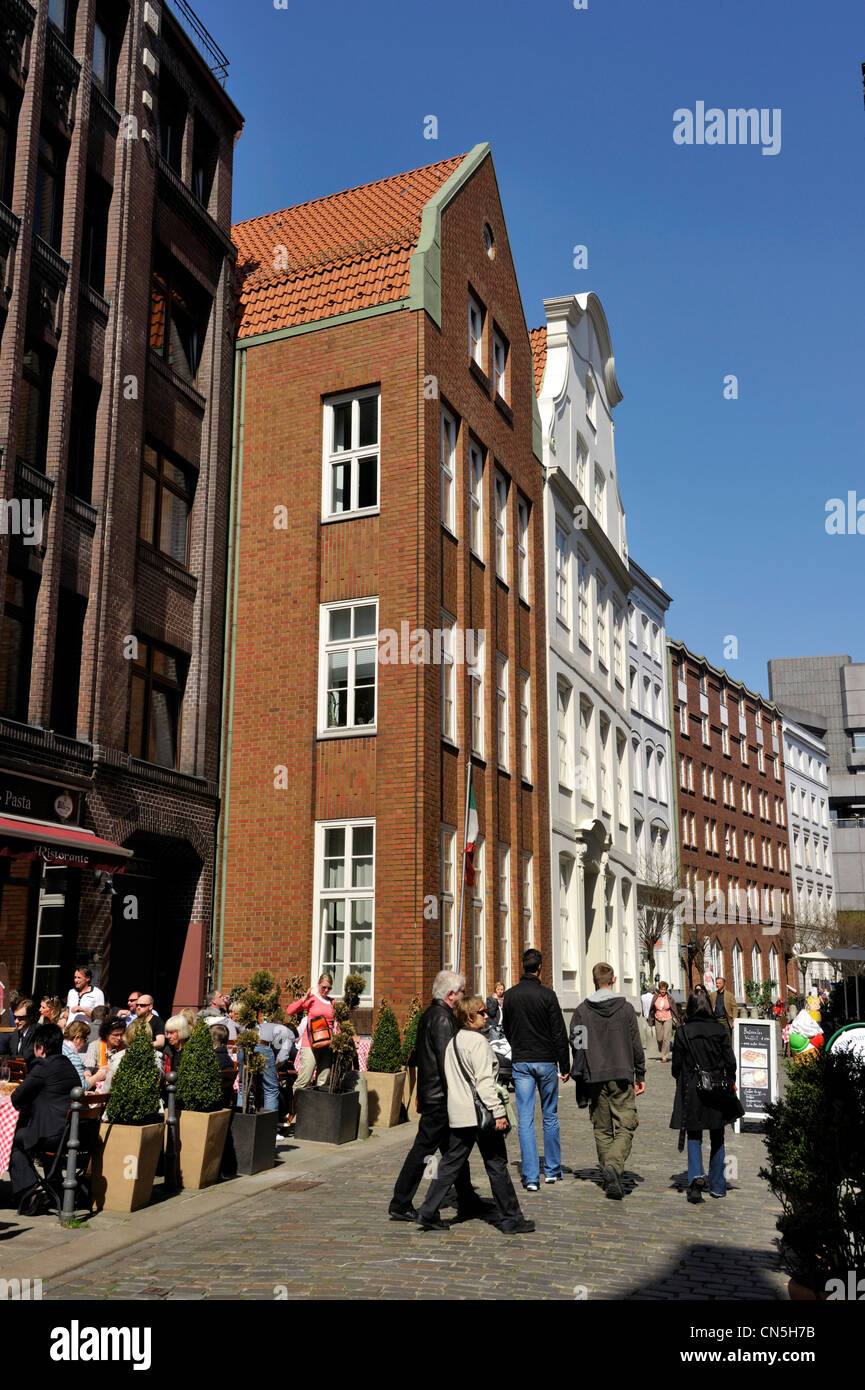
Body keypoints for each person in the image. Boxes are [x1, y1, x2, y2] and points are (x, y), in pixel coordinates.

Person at [414, 996, 534, 1234]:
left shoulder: (453, 1042)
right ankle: (511, 1219)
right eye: (481, 1012)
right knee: (496, 1164)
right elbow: (484, 1083)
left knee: (450, 1164)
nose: (486, 1015)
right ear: (469, 1017)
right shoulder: (478, 1043)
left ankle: (428, 1211)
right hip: (480, 1114)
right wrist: (498, 1112)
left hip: (459, 1113)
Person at [389, 970, 490, 1223]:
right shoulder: (442, 1019)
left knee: (456, 1152)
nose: (465, 996)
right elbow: (449, 1062)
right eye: (462, 992)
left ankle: (467, 1199)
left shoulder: (432, 1015)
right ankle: (401, 1202)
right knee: (425, 1151)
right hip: (440, 1099)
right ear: (450, 995)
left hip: (436, 1095)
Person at [570, 962, 646, 1200]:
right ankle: (613, 1165)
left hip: (595, 1075)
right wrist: (640, 1073)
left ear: (594, 981)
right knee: (626, 1124)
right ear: (613, 980)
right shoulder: (625, 1009)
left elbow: (577, 1044)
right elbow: (636, 1043)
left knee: (602, 1128)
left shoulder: (582, 1010)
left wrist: (580, 1072)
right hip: (622, 1074)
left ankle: (608, 1173)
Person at [502, 948, 570, 1190]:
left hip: (522, 1062)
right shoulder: (548, 995)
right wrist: (565, 1064)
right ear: (540, 967)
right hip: (546, 1061)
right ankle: (552, 1170)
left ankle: (531, 1176)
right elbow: (559, 1032)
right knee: (550, 1115)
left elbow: (506, 1028)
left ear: (523, 966)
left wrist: (518, 1048)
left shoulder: (510, 996)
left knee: (526, 1119)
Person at [670, 990, 744, 1202]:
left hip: (692, 1088)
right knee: (717, 1135)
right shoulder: (719, 1030)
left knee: (694, 1134)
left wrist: (683, 1078)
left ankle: (695, 1178)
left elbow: (676, 1066)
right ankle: (718, 1185)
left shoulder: (683, 1032)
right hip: (718, 1087)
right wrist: (729, 1080)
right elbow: (730, 1062)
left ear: (690, 1008)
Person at [8, 1023, 80, 1203]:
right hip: (73, 1132)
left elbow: (17, 1097)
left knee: (9, 1140)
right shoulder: (68, 1065)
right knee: (32, 1130)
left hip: (53, 1135)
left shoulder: (43, 1067)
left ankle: (31, 1191)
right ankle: (53, 1183)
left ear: (40, 1048)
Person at [286, 974, 336, 1091]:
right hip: (310, 1043)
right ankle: (293, 1105)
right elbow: (290, 1011)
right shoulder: (312, 998)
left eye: (329, 988)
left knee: (323, 1080)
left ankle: (318, 1107)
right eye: (324, 987)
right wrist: (304, 999)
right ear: (318, 985)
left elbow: (335, 1023)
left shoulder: (333, 1002)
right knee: (305, 1077)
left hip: (327, 1043)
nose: (326, 990)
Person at [83, 1016, 126, 1088]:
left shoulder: (124, 1047)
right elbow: (89, 1068)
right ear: (106, 1034)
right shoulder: (94, 1045)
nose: (119, 1038)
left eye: (121, 1034)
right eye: (116, 1035)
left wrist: (105, 1068)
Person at [648, 981, 680, 1064]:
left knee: (666, 1038)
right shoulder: (655, 997)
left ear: (666, 990)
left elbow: (674, 1009)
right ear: (659, 989)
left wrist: (677, 1019)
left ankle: (664, 1056)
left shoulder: (670, 998)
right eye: (661, 989)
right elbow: (652, 1008)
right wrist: (650, 1018)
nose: (663, 991)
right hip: (658, 1018)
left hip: (668, 1018)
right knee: (659, 1038)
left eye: (664, 990)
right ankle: (661, 1050)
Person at [62, 1021, 93, 1089]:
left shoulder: (61, 1047)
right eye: (85, 1039)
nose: (85, 1043)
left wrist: (85, 1070)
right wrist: (99, 1076)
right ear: (77, 1038)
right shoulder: (72, 1055)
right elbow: (81, 1087)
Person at [709, 976, 738, 1042]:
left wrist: (734, 1020)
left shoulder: (729, 995)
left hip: (726, 1021)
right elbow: (709, 1007)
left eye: (719, 983)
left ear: (724, 984)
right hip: (716, 1021)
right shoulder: (712, 995)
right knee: (716, 1039)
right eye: (716, 983)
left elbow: (734, 1007)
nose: (717, 985)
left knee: (728, 1040)